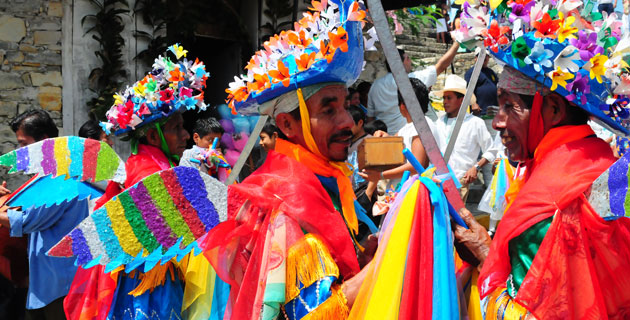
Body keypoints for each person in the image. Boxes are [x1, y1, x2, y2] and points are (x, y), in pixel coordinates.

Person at [451, 2, 630, 318]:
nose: (497, 122)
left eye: (510, 107)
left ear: (554, 110)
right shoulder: (604, 161)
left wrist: (484, 255)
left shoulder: (551, 199)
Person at [211, 1, 378, 318]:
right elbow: (312, 312)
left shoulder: (324, 178)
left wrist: (365, 260)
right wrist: (389, 258)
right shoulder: (279, 202)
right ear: (287, 124)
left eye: (345, 105)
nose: (347, 121)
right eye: (328, 110)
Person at [63, 45, 217, 320]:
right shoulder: (146, 173)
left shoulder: (153, 165)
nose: (185, 135)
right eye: (177, 128)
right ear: (154, 138)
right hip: (148, 284)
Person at [0, 109, 86, 320]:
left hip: (61, 286)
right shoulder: (49, 175)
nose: (20, 152)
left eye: (23, 144)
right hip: (48, 283)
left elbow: (24, 221)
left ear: (43, 142)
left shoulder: (59, 177)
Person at [367, 42, 460, 135]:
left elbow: (370, 117)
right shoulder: (409, 80)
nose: (410, 61)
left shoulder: (375, 85)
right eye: (407, 58)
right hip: (405, 136)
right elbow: (442, 65)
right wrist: (457, 43)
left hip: (383, 138)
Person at [434, 75, 493, 202]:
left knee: (456, 218)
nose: (445, 102)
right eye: (444, 98)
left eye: (449, 98)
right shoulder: (438, 123)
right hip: (437, 181)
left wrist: (476, 168)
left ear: (461, 100)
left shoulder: (475, 123)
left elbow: (491, 151)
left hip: (460, 181)